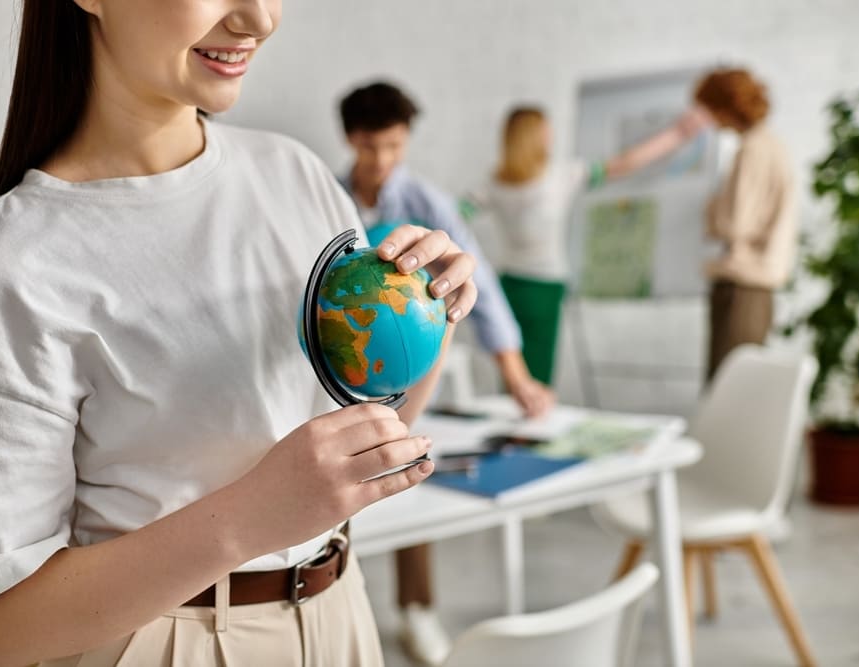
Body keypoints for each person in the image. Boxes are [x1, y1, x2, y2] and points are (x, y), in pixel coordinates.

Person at [0, 3, 478, 666]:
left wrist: (431, 314)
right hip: (164, 643)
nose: (259, 18)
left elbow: (367, 437)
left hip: (342, 612)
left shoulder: (296, 178)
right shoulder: (11, 269)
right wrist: (250, 517)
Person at [336, 80, 553, 666]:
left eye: (393, 146)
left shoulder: (428, 203)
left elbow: (481, 288)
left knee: (406, 465)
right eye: (370, 147)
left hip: (412, 372)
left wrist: (516, 375)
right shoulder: (325, 198)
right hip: (336, 370)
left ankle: (416, 609)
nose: (382, 160)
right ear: (351, 140)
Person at [471, 104, 708, 386]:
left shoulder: (495, 183)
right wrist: (677, 134)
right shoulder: (560, 175)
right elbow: (625, 163)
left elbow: (452, 214)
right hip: (543, 285)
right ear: (537, 135)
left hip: (509, 284)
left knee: (512, 370)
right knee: (536, 377)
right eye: (547, 130)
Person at [692, 68, 796, 379]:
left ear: (723, 107)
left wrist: (711, 210)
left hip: (743, 285)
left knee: (727, 384)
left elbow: (735, 222)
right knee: (735, 384)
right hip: (752, 286)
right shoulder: (769, 145)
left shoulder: (753, 148)